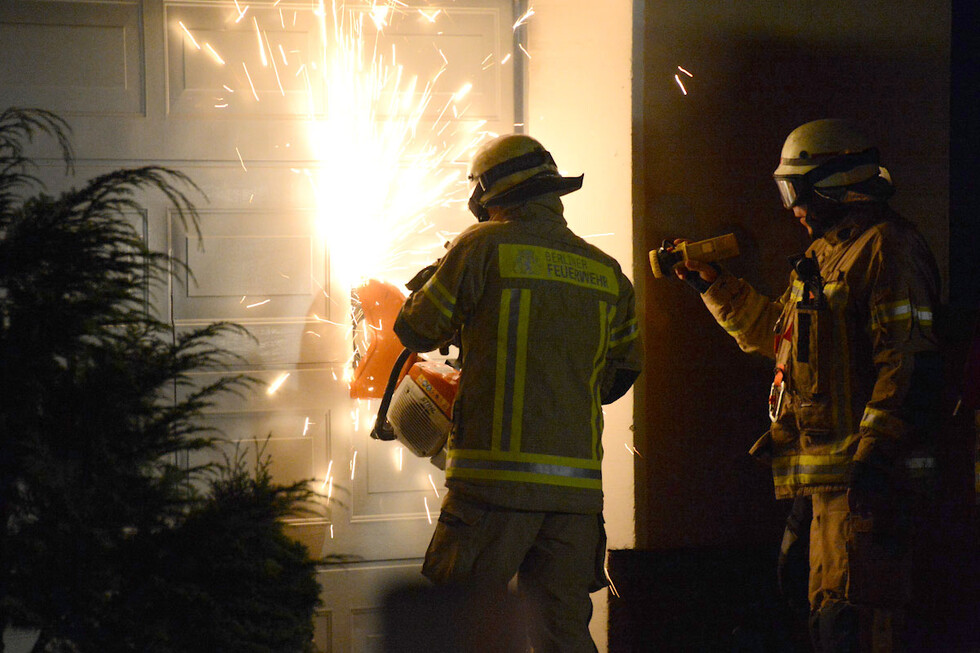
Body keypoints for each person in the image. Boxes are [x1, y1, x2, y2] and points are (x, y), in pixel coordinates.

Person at [675, 119, 941, 652]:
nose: (789, 206)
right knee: (820, 616)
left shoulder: (887, 249)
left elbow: (907, 360)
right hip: (823, 486)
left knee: (854, 625)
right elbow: (784, 344)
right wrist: (716, 285)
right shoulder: (823, 257)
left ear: (833, 185)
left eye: (793, 189)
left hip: (863, 487)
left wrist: (875, 457)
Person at [393, 133, 641, 652]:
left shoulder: (481, 245)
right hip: (575, 499)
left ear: (488, 194)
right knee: (563, 636)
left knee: (454, 630)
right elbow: (616, 381)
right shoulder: (607, 273)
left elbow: (417, 329)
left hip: (491, 491)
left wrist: (436, 285)